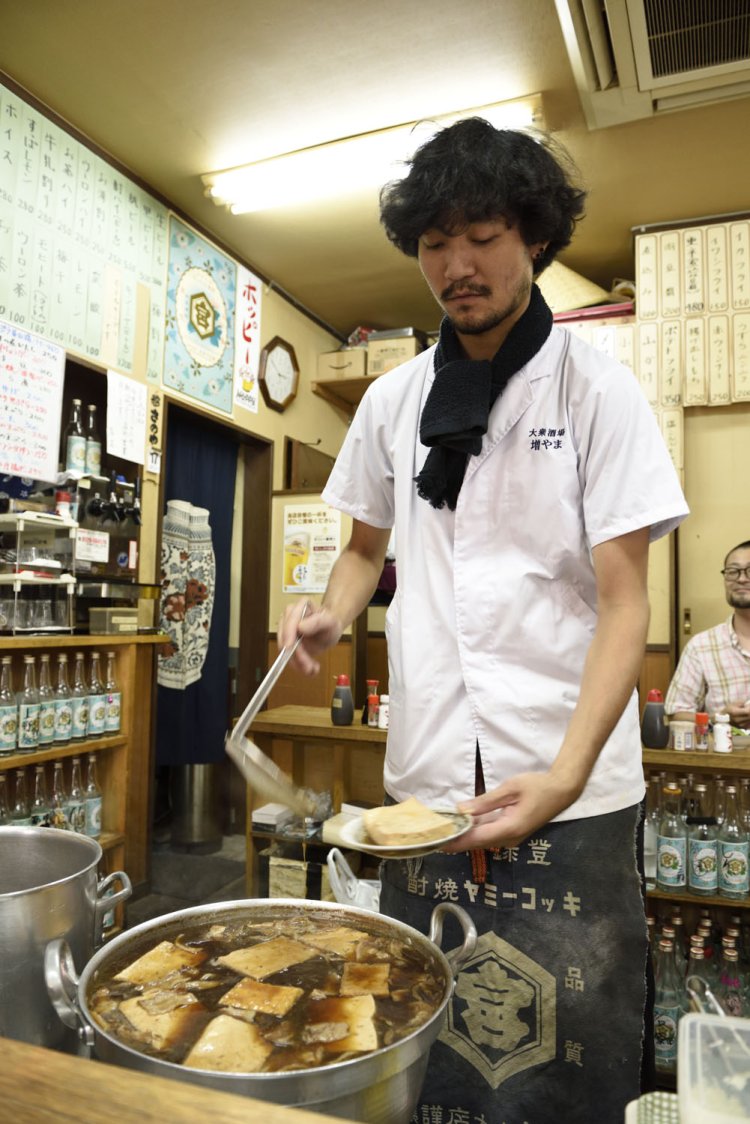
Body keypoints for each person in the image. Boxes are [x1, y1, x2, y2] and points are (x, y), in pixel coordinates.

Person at [278, 118, 689, 1124]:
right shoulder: (392, 400)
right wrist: (331, 613)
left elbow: (626, 601)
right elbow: (365, 551)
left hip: (570, 777)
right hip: (429, 774)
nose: (457, 265)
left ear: (535, 238)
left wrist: (565, 774)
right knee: (425, 1024)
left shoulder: (597, 391)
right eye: (435, 243)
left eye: (483, 236)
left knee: (569, 1036)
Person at [665, 540, 750, 729]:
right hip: (725, 747)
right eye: (733, 571)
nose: (741, 579)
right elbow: (675, 713)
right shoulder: (701, 646)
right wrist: (718, 718)